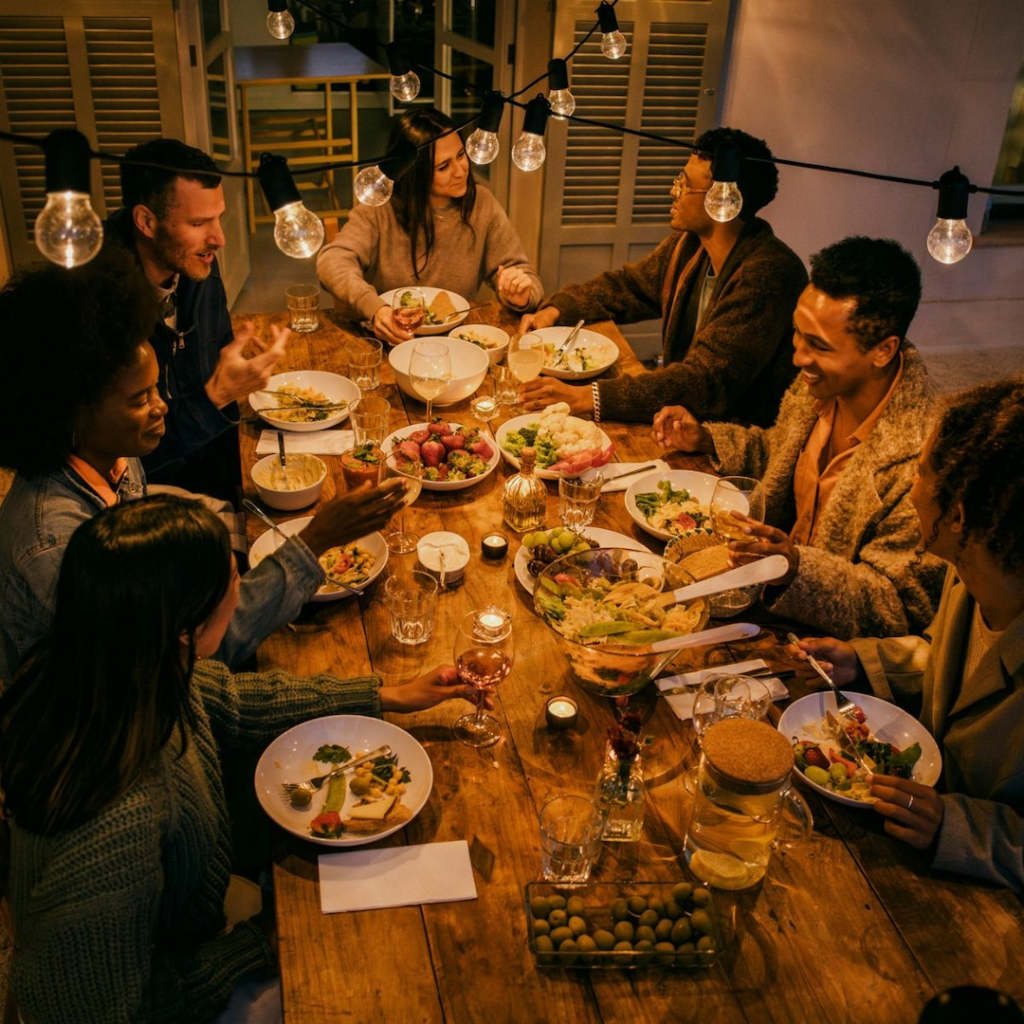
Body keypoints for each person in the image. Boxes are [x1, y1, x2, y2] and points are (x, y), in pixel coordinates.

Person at [0, 493, 481, 1023]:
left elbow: (231, 700)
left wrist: (387, 695)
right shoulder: (117, 820)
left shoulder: (118, 660)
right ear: (189, 627)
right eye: (233, 580)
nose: (241, 585)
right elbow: (114, 1011)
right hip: (168, 982)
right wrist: (257, 944)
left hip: (183, 919)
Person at [0, 251, 404, 684]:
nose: (160, 407)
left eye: (155, 388)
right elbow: (185, 667)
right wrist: (319, 537)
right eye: (140, 399)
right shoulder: (56, 549)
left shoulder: (111, 455)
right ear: (69, 414)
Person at [791, 377, 1024, 893]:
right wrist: (866, 661)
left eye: (920, 471)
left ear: (958, 518)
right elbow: (954, 662)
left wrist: (958, 827)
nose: (910, 488)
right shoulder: (970, 573)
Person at [654, 236, 945, 639]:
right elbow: (780, 454)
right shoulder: (819, 388)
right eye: (797, 333)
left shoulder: (926, 459)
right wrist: (706, 439)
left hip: (825, 654)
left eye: (818, 346)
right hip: (760, 601)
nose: (798, 357)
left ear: (883, 350)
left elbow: (899, 606)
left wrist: (796, 567)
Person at [516, 126, 807, 427]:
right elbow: (629, 288)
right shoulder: (691, 244)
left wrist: (587, 397)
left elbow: (703, 381)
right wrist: (558, 309)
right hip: (680, 425)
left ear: (723, 198)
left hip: (728, 444)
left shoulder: (768, 274)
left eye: (684, 184)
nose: (673, 191)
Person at [105, 138, 286, 502]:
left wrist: (236, 497)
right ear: (146, 221)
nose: (218, 238)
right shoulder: (100, 301)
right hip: (139, 500)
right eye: (199, 222)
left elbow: (212, 373)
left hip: (210, 474)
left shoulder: (196, 263)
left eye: (218, 217)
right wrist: (218, 394)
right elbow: (123, 458)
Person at [317, 107, 544, 345]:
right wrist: (374, 307)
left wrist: (520, 294)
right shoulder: (381, 205)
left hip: (456, 343)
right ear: (415, 172)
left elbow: (525, 275)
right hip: (391, 342)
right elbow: (332, 261)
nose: (460, 171)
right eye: (443, 167)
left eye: (461, 154)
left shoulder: (481, 203)